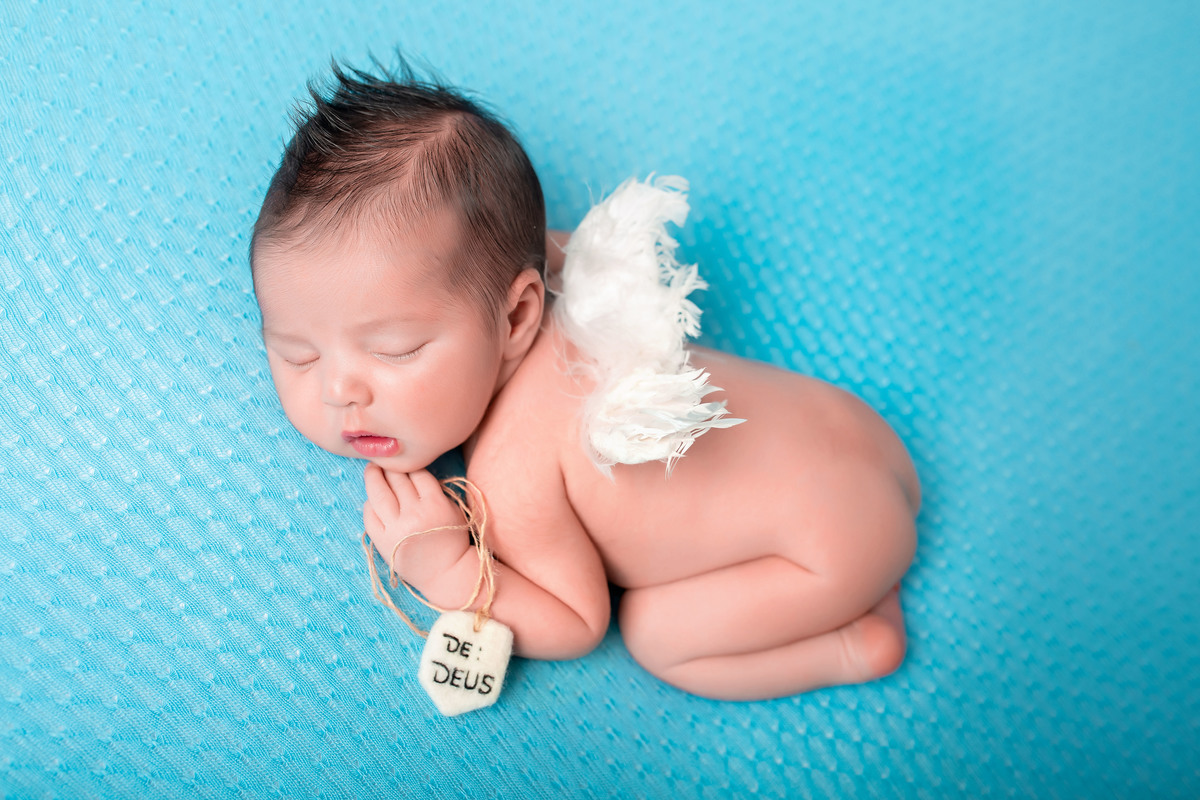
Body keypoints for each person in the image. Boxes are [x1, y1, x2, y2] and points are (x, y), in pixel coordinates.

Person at [250, 60, 919, 701]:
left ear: (517, 315)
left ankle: (859, 645)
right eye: (297, 354)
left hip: (829, 555)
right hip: (858, 429)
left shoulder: (514, 470)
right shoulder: (569, 270)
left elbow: (576, 623)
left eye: (395, 350)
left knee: (656, 634)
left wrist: (447, 567)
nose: (339, 390)